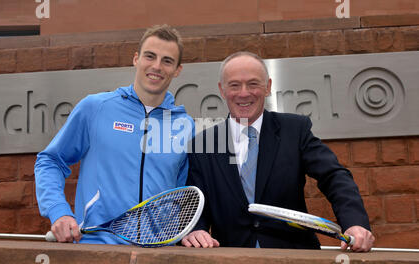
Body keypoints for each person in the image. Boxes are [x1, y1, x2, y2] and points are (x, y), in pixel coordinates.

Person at [181, 51, 375, 252]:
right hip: (231, 261)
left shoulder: (295, 130)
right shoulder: (203, 144)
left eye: (253, 84)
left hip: (295, 262)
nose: (244, 93)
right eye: (234, 85)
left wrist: (354, 223)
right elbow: (195, 201)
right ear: (222, 90)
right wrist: (196, 229)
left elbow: (334, 176)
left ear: (268, 87)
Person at [35, 24, 194, 244]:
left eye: (167, 61)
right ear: (136, 59)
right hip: (98, 250)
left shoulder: (186, 127)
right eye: (150, 56)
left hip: (161, 257)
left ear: (177, 70)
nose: (157, 66)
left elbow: (184, 192)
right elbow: (50, 160)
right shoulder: (95, 108)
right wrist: (59, 211)